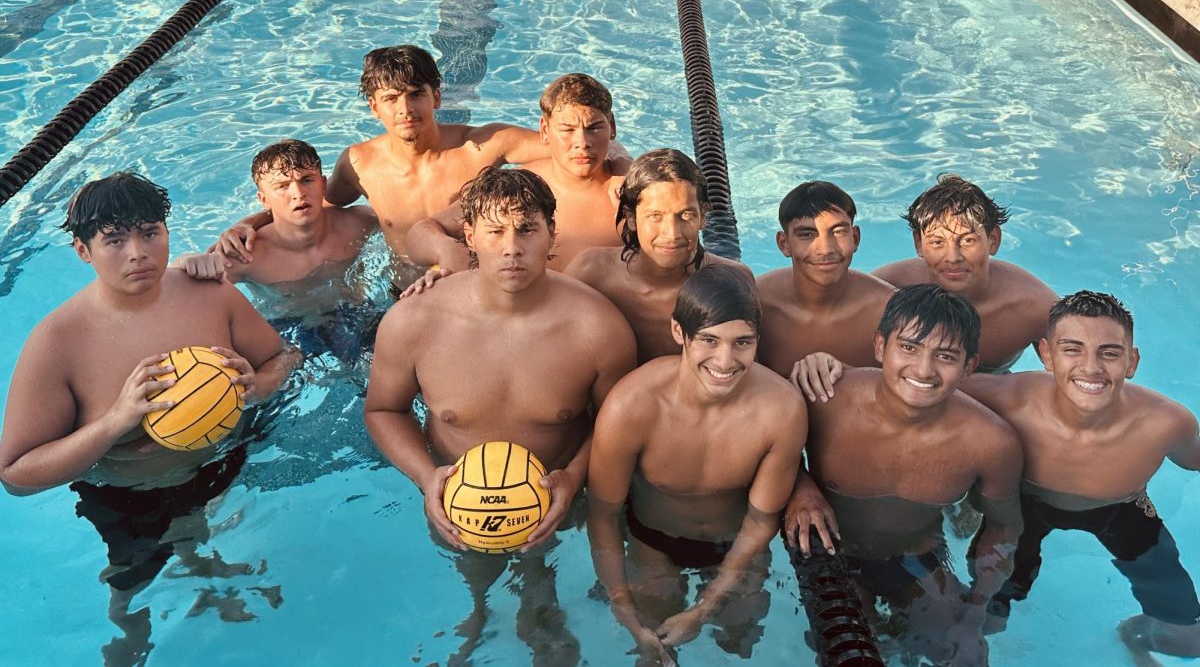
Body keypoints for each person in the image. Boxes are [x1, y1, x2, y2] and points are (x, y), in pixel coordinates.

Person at [0, 172, 298, 664]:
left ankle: (201, 566)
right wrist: (115, 421)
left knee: (195, 525)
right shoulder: (58, 342)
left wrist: (259, 384)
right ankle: (127, 631)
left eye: (149, 233)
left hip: (218, 459)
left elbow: (284, 357)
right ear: (82, 251)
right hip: (129, 495)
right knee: (131, 580)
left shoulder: (209, 292)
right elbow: (15, 475)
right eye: (114, 240)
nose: (138, 252)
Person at [364, 167, 637, 664]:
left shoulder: (597, 326)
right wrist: (428, 479)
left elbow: (619, 424)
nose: (511, 247)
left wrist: (573, 479)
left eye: (527, 229)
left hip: (561, 497)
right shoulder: (415, 320)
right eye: (495, 230)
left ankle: (540, 597)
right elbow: (384, 409)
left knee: (540, 569)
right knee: (473, 573)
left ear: (553, 234)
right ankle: (477, 607)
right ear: (469, 236)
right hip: (453, 493)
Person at [785, 284, 1023, 666]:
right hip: (832, 556)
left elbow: (1004, 528)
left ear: (970, 366)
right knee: (837, 651)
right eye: (909, 348)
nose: (924, 370)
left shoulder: (991, 442)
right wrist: (801, 487)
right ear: (880, 347)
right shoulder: (826, 398)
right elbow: (766, 448)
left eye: (945, 356)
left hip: (916, 558)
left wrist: (975, 611)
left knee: (967, 655)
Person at [958, 291, 1200, 663]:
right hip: (1026, 506)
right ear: (1046, 356)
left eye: (1109, 352)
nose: (1091, 368)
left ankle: (1133, 636)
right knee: (986, 618)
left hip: (1121, 509)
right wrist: (832, 363)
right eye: (1072, 349)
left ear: (1131, 361)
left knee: (1190, 637)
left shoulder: (1167, 423)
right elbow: (915, 387)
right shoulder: (1007, 398)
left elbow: (1194, 461)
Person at [588, 265, 806, 663]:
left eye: (742, 343)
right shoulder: (632, 405)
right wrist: (622, 603)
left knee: (742, 641)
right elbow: (603, 514)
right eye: (709, 340)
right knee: (652, 648)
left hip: (738, 546)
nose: (725, 361)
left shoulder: (782, 409)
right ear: (679, 333)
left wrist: (706, 607)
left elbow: (760, 521)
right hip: (652, 542)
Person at [217, 45, 551, 263]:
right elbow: (311, 202)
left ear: (436, 98)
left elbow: (570, 152)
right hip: (401, 298)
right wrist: (250, 221)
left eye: (415, 95)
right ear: (375, 107)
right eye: (391, 99)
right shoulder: (361, 164)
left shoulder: (486, 146)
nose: (405, 109)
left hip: (478, 285)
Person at [175, 140, 380, 365]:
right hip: (289, 330)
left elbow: (406, 226)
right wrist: (184, 261)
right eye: (282, 186)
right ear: (264, 199)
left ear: (323, 185)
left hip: (354, 311)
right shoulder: (246, 254)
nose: (298, 193)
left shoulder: (358, 222)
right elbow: (179, 292)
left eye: (307, 180)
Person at [405, 73, 626, 273]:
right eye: (567, 129)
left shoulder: (632, 193)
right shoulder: (517, 187)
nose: (582, 143)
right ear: (544, 130)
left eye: (595, 128)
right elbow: (421, 232)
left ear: (612, 126)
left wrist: (631, 175)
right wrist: (450, 251)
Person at [565, 149, 752, 363]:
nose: (671, 233)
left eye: (686, 215)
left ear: (703, 216)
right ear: (631, 218)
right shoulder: (592, 274)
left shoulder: (733, 281)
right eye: (655, 216)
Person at [873, 174, 1057, 374]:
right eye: (937, 242)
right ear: (919, 243)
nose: (952, 257)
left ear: (993, 239)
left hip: (994, 394)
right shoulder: (889, 290)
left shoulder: (1032, 307)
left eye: (968, 241)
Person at [756, 180, 894, 402]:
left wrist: (845, 372)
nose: (826, 249)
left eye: (838, 232)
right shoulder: (756, 303)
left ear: (855, 238)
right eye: (806, 234)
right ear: (784, 244)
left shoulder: (889, 311)